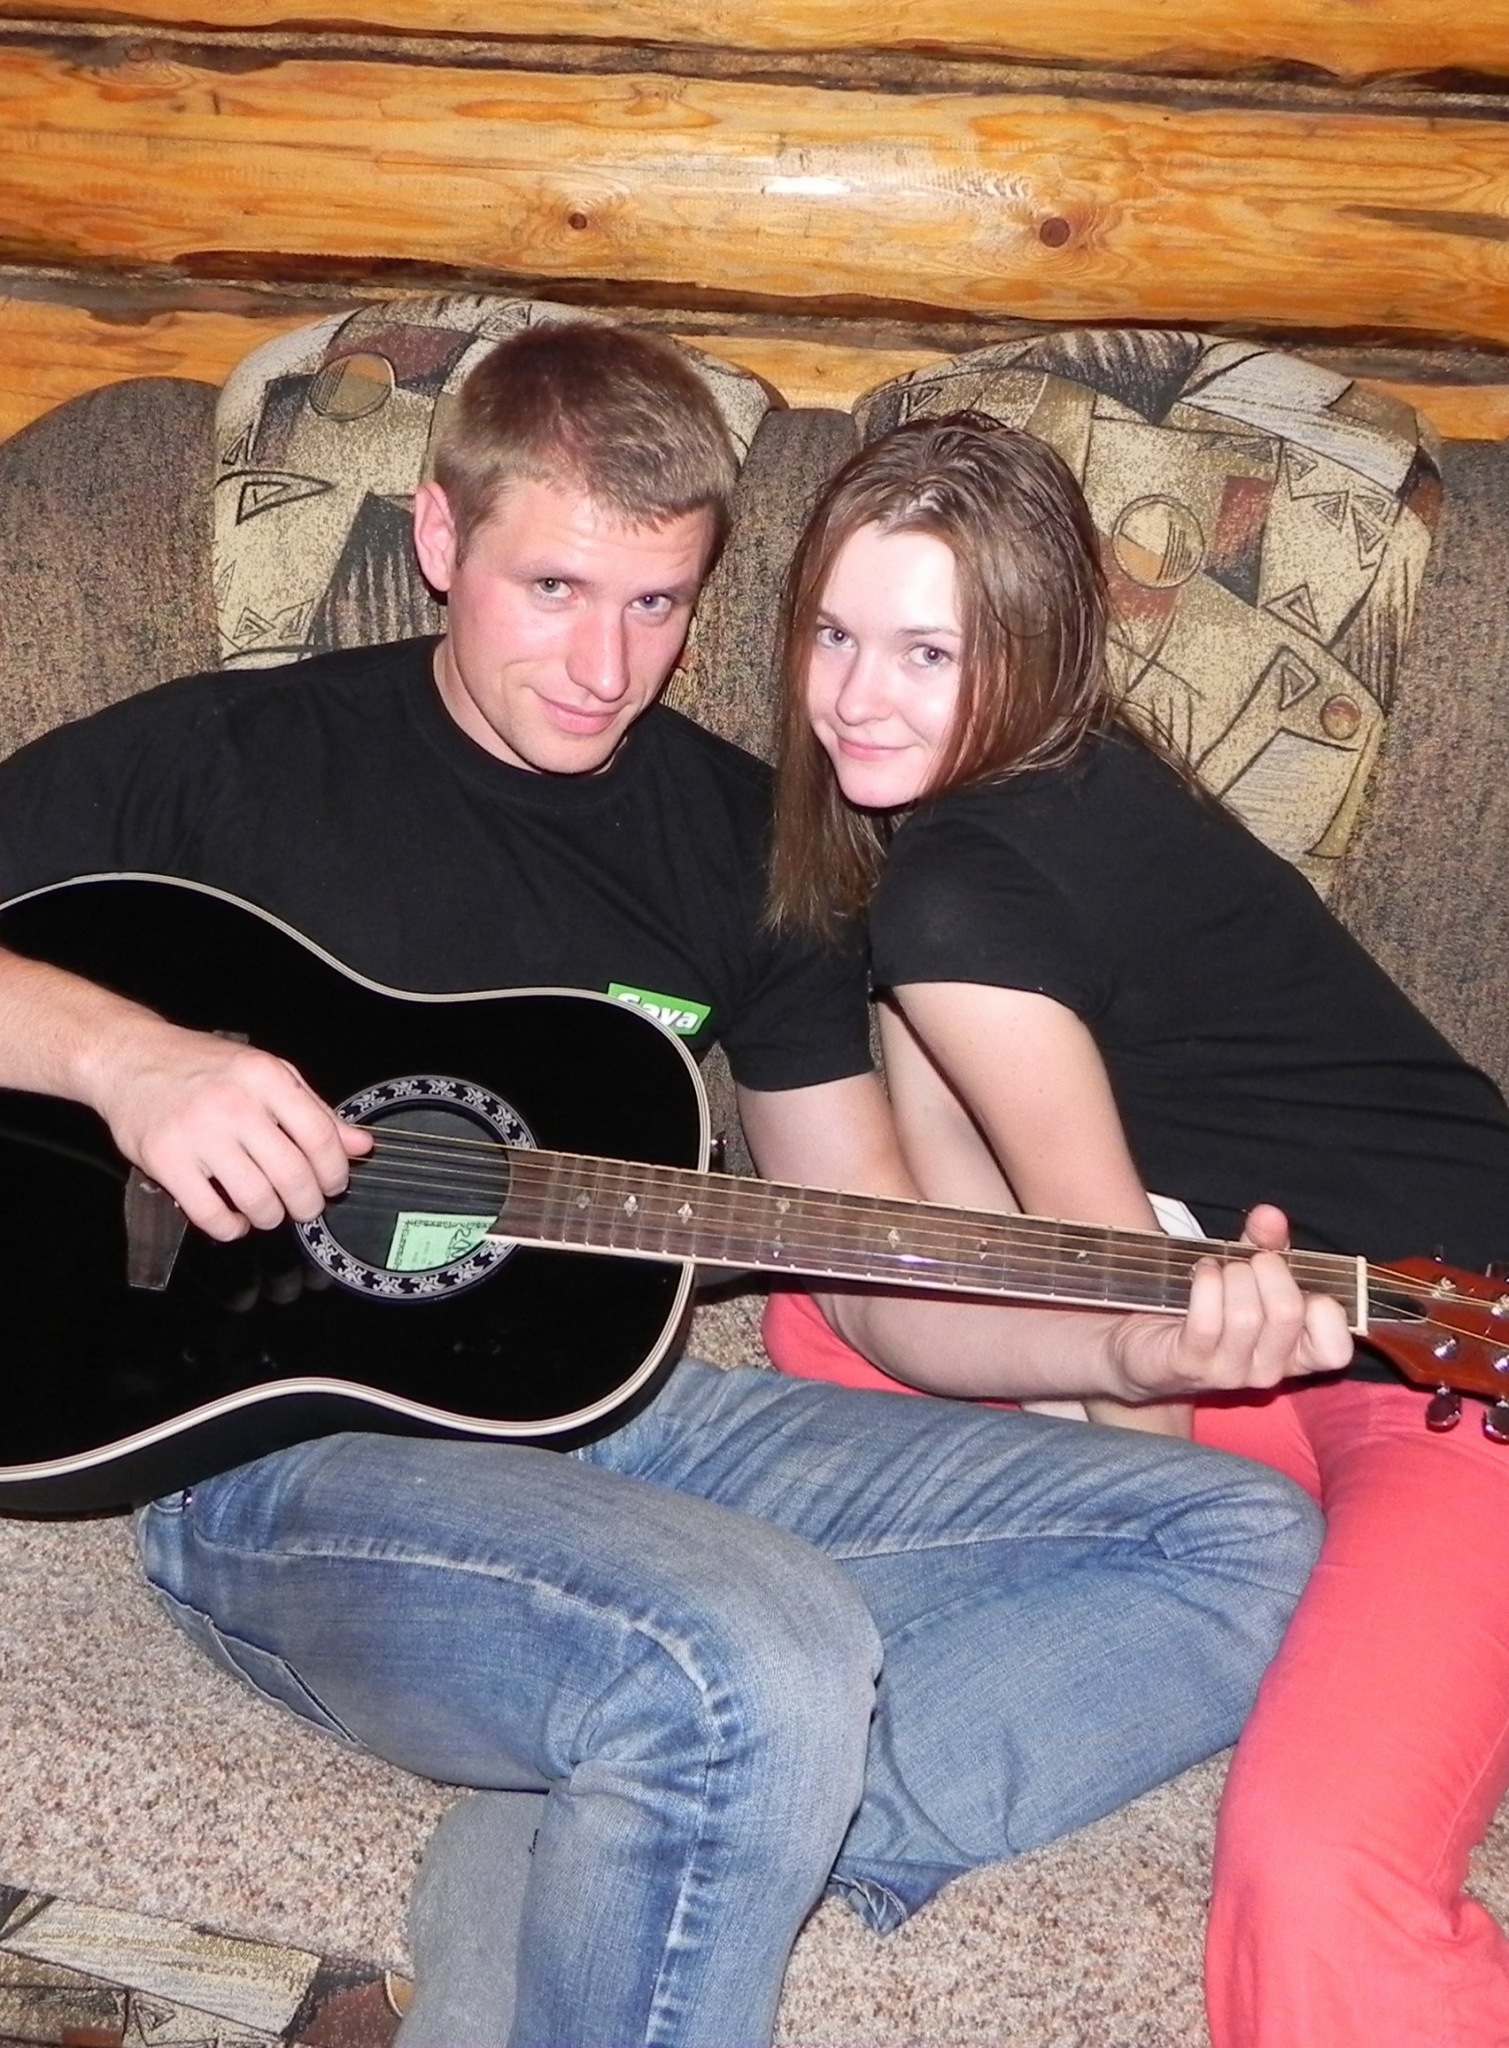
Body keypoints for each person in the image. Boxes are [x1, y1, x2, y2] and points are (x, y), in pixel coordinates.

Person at [0, 332, 1338, 2048]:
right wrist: (129, 1059)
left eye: (656, 605)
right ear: (439, 539)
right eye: (552, 588)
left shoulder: (744, 843)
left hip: (627, 1415)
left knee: (1236, 1539)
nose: (602, 666)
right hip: (278, 1460)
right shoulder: (226, 753)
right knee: (756, 1653)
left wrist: (1131, 1351)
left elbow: (866, 1275)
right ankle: (703, 1752)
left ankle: (625, 1823)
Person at [764, 410, 1509, 2048]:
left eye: (925, 652)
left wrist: (1147, 1543)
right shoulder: (1022, 798)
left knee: (1314, 1874)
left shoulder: (958, 893)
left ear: (1030, 650)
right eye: (831, 633)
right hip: (1297, 1327)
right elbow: (981, 1220)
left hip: (1461, 1369)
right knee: (825, 1311)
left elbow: (1130, 1330)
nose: (857, 696)